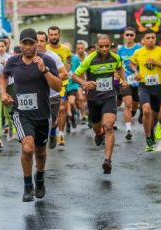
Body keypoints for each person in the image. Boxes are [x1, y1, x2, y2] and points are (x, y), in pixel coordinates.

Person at [0, 28, 61, 202]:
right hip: (21, 113)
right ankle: (27, 186)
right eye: (24, 43)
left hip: (42, 114)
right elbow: (2, 77)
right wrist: (3, 92)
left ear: (37, 43)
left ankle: (39, 179)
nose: (27, 46)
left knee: (40, 152)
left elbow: (58, 87)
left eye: (31, 43)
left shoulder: (47, 60)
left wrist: (44, 70)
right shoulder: (13, 61)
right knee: (27, 148)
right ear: (20, 44)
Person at [73, 34, 128, 174]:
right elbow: (74, 75)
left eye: (107, 46)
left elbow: (120, 68)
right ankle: (98, 134)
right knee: (98, 128)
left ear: (110, 46)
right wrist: (84, 83)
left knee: (109, 126)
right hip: (93, 99)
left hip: (109, 96)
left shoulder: (115, 57)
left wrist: (124, 80)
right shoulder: (90, 59)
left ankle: (107, 161)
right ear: (96, 46)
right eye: (101, 46)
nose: (104, 49)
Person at [130, 30, 161, 152]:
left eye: (152, 38)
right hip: (144, 86)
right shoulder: (139, 52)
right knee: (146, 110)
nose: (150, 40)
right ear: (143, 40)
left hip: (157, 87)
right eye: (148, 38)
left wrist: (157, 63)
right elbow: (132, 63)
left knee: (155, 116)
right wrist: (136, 71)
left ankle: (152, 130)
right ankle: (148, 137)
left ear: (155, 39)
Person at [36, 31, 68, 149]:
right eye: (37, 41)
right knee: (40, 120)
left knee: (53, 121)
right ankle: (39, 143)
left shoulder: (53, 57)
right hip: (38, 95)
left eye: (42, 41)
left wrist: (51, 79)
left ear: (46, 42)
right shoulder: (30, 57)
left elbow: (64, 74)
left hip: (53, 95)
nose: (39, 44)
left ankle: (53, 130)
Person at [47, 26, 71, 145]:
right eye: (51, 35)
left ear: (59, 35)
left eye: (55, 34)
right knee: (50, 113)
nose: (53, 37)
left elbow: (69, 60)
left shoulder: (66, 49)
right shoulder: (44, 49)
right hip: (47, 85)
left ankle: (60, 135)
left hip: (62, 83)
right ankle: (52, 129)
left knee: (62, 108)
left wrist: (68, 66)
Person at [117, 26, 141, 140]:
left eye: (131, 35)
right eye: (127, 35)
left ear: (135, 36)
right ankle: (128, 129)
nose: (129, 37)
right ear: (124, 36)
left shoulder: (139, 48)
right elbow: (118, 65)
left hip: (137, 81)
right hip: (125, 80)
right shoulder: (120, 50)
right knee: (128, 104)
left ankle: (135, 112)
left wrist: (138, 72)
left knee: (135, 104)